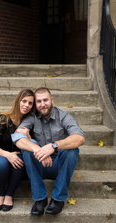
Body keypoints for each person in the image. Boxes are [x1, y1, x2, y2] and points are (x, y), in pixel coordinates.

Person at [11, 87, 85, 216]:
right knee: (29, 146)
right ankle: (40, 199)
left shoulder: (64, 117)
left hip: (58, 166)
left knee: (72, 150)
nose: (42, 104)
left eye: (45, 100)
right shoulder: (32, 117)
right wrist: (39, 150)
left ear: (52, 100)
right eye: (39, 101)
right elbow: (17, 137)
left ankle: (58, 199)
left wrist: (54, 146)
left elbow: (80, 138)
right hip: (39, 163)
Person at [0, 89, 35, 212]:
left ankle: (9, 195)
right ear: (18, 100)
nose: (26, 105)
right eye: (24, 101)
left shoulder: (30, 123)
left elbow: (33, 147)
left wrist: (29, 137)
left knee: (21, 158)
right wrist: (8, 155)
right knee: (2, 162)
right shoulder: (2, 119)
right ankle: (0, 195)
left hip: (18, 167)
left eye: (30, 103)